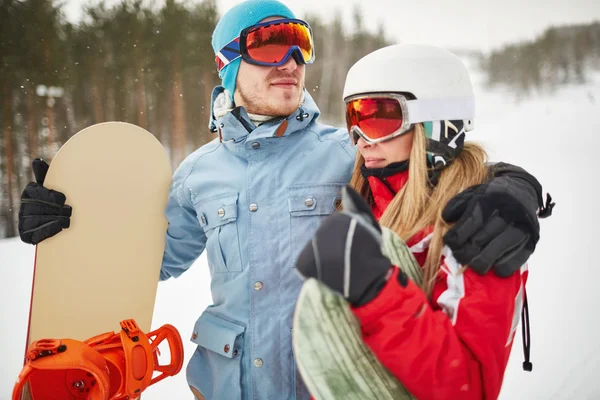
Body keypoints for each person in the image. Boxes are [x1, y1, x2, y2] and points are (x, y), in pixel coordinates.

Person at [17, 2, 551, 399]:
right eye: (272, 46)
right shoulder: (198, 174)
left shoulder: (346, 152)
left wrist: (512, 186)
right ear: (229, 65)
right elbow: (150, 263)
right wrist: (75, 226)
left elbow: (432, 165)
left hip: (315, 383)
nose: (291, 61)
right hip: (226, 387)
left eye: (300, 47)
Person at [295, 43, 554, 400]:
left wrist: (377, 290)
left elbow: (468, 389)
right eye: (355, 119)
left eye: (379, 118)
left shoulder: (478, 228)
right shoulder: (366, 196)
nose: (362, 140)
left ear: (438, 125)